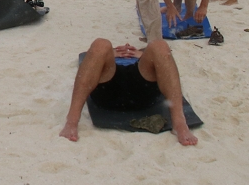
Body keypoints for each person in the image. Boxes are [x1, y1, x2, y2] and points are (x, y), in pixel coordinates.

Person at [59, 39, 197, 146]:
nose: (126, 49)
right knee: (100, 43)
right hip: (107, 89)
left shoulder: (146, 54)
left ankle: (179, 122)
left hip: (143, 89)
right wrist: (110, 53)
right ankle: (72, 121)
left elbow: (161, 58)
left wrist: (141, 54)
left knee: (160, 45)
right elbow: (92, 57)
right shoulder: (107, 53)